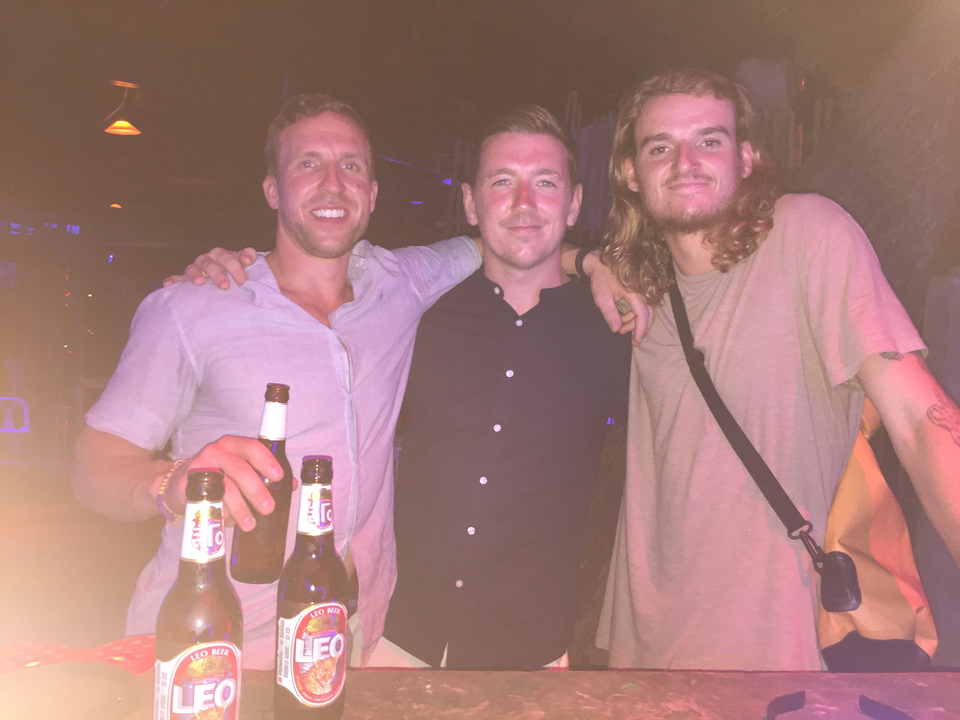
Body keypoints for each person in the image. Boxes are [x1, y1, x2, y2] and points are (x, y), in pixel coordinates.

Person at [72, 93, 483, 669]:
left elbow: (506, 242)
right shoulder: (193, 307)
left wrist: (586, 262)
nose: (333, 184)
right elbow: (92, 469)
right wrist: (171, 483)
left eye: (352, 166)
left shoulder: (400, 282)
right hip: (214, 645)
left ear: (372, 193)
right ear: (273, 190)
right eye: (307, 164)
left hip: (349, 632)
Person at [594, 68, 960, 671]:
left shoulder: (807, 234)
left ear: (745, 158)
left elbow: (921, 420)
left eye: (709, 141)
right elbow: (515, 255)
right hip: (639, 657)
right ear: (632, 173)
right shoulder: (640, 288)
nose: (685, 161)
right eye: (660, 147)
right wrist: (587, 262)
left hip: (773, 661)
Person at [374, 106, 631, 670]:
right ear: (470, 201)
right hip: (392, 638)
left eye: (545, 183)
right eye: (502, 182)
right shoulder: (416, 314)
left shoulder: (615, 330)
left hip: (531, 654)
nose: (523, 203)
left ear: (575, 202)